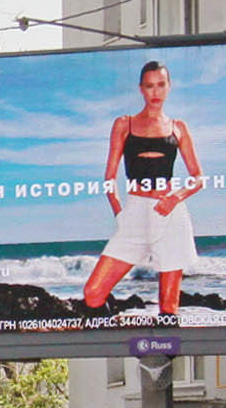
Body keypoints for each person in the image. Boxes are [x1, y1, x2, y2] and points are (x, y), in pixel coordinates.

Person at [80, 59, 205, 317]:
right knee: (92, 293)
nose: (155, 92)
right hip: (135, 213)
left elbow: (198, 177)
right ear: (141, 89)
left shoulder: (178, 128)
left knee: (169, 308)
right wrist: (119, 213)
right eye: (149, 86)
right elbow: (109, 178)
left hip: (171, 214)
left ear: (169, 87)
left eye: (161, 85)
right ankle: (111, 342)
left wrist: (176, 197)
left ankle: (163, 353)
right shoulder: (124, 124)